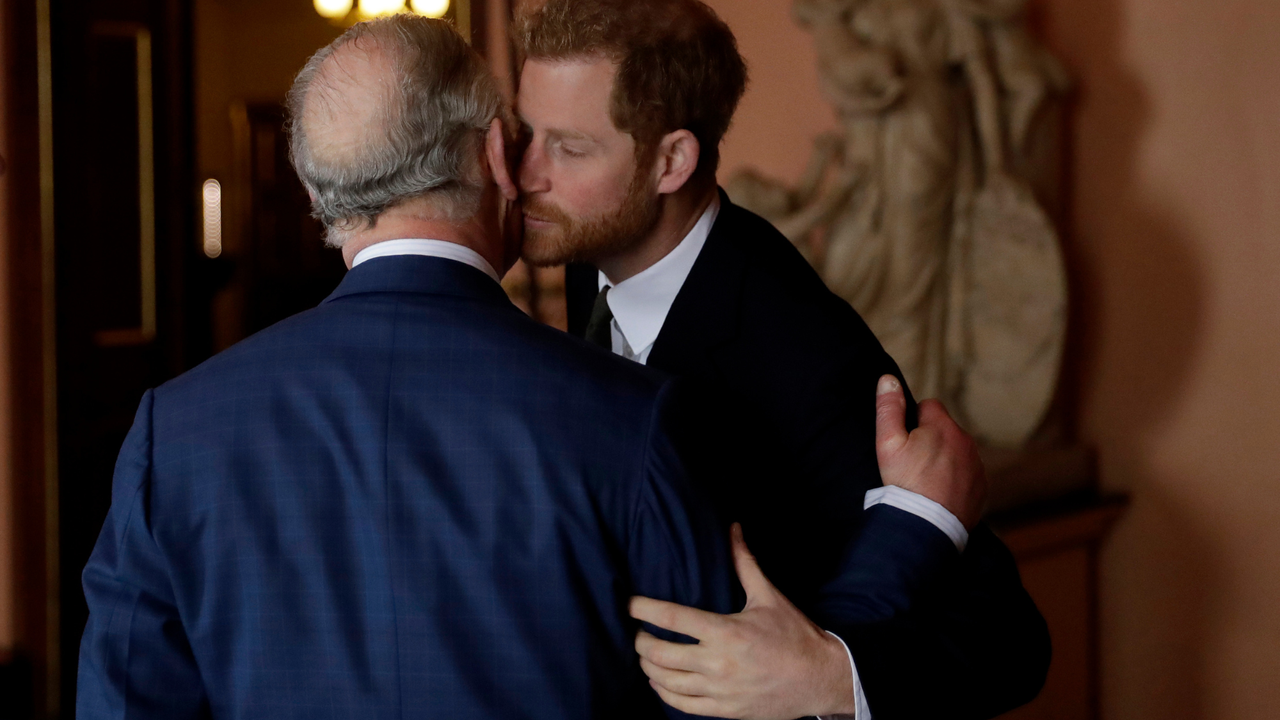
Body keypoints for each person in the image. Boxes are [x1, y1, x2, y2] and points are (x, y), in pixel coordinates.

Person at [75, 16, 741, 719]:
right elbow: (715, 701)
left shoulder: (174, 433)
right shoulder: (633, 418)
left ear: (315, 191)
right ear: (493, 154)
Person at [511, 0, 1051, 717]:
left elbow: (1008, 641)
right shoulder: (593, 251)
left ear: (672, 160)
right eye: (527, 134)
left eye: (569, 148)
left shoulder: (802, 354)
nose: (525, 174)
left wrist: (830, 678)